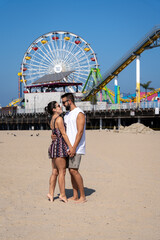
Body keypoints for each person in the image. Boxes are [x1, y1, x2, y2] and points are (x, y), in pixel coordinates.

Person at [61, 93, 86, 203]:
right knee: (71, 171)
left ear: (69, 101)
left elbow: (80, 132)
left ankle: (83, 196)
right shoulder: (67, 114)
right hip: (68, 147)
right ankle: (75, 195)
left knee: (74, 170)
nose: (63, 104)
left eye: (64, 102)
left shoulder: (79, 113)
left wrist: (74, 147)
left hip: (77, 147)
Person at [47, 101, 73, 203]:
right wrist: (70, 146)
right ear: (54, 109)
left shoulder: (52, 120)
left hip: (53, 147)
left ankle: (51, 194)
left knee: (54, 172)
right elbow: (63, 134)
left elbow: (54, 134)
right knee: (62, 172)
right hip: (60, 146)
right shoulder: (59, 119)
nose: (60, 107)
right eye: (58, 106)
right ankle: (62, 194)